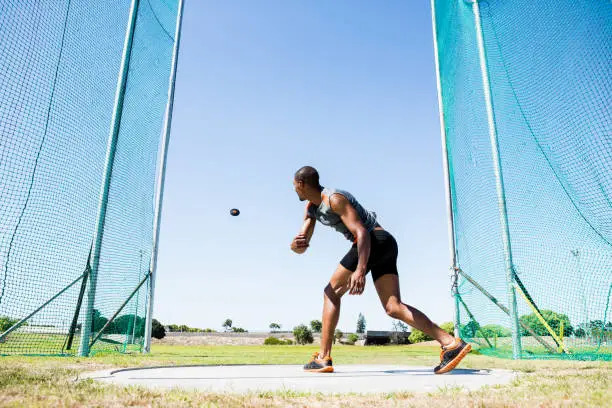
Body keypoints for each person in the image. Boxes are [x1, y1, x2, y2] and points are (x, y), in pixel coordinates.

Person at [290, 166, 471, 374]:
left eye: (294, 185)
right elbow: (301, 243)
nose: (294, 189)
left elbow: (362, 233)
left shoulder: (334, 199)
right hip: (384, 243)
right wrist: (296, 245)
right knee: (393, 306)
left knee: (330, 292)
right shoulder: (312, 208)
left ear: (301, 184)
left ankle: (323, 357)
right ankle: (450, 343)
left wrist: (360, 269)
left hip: (372, 240)